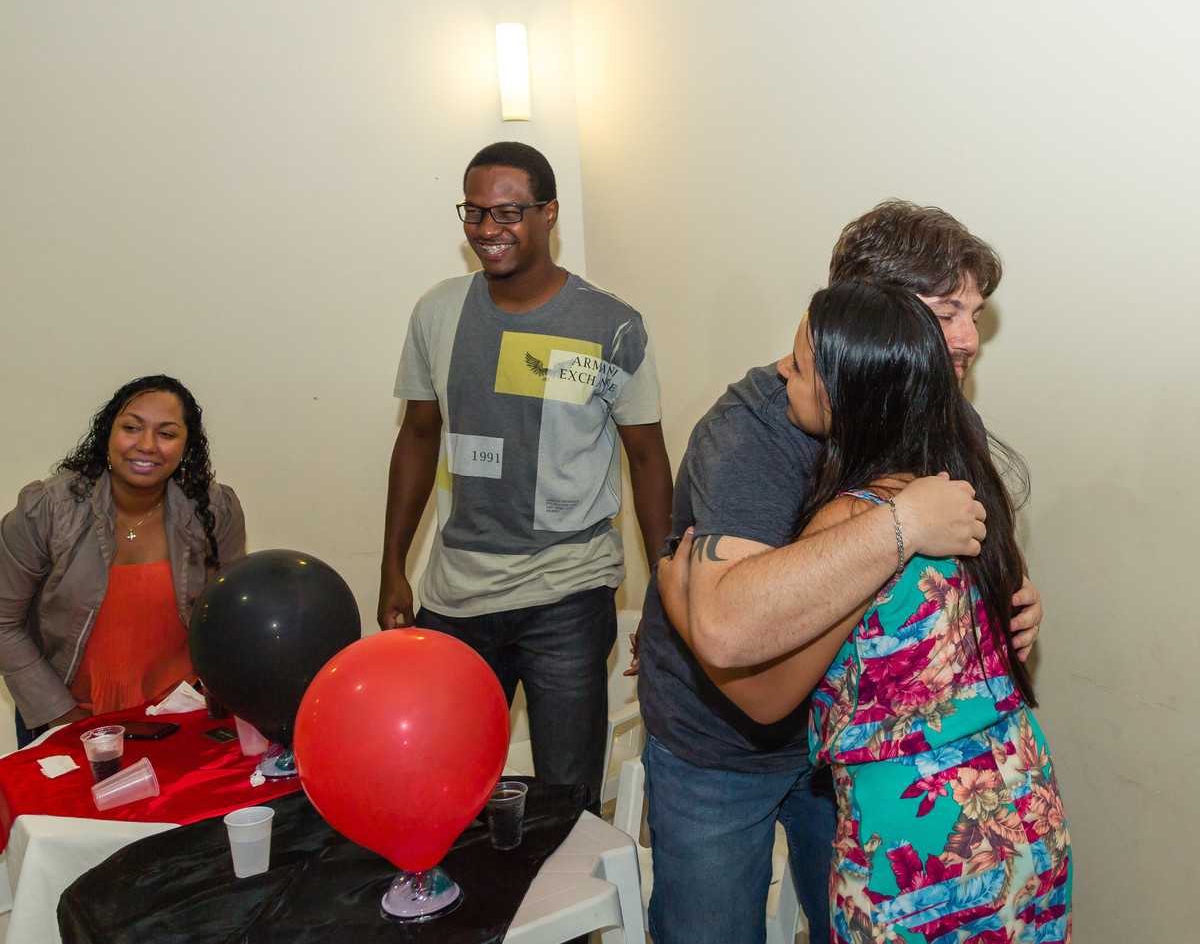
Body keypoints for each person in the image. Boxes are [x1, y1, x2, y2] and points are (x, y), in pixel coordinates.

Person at [637, 201, 1043, 944]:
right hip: (719, 747)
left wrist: (1003, 604)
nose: (966, 338)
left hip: (861, 753)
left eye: (974, 313)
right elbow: (732, 636)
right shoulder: (752, 431)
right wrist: (901, 525)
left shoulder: (947, 419)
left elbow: (961, 564)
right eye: (945, 312)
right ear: (864, 320)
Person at [378, 142, 672, 811]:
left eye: (508, 211)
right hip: (455, 597)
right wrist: (393, 563)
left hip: (567, 592)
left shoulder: (612, 324)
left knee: (564, 802)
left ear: (550, 213)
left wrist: (666, 591)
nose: (488, 229)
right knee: (442, 792)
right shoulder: (437, 314)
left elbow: (649, 460)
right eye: (475, 212)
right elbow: (418, 436)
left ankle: (570, 922)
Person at [0, 374, 246, 747]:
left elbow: (231, 617)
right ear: (107, 433)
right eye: (132, 428)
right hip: (64, 716)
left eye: (166, 434)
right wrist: (63, 717)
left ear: (187, 445)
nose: (146, 445)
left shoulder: (215, 510)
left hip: (180, 715)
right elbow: (4, 623)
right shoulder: (47, 510)